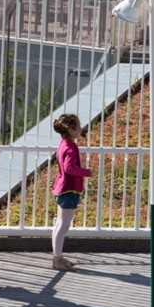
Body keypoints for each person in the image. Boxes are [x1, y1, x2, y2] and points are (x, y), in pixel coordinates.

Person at [51, 113, 91, 271]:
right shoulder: (70, 147)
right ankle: (57, 259)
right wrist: (87, 172)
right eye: (78, 127)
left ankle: (57, 256)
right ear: (71, 130)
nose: (81, 129)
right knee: (63, 225)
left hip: (62, 188)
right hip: (68, 190)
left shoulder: (63, 144)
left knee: (60, 225)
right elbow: (69, 168)